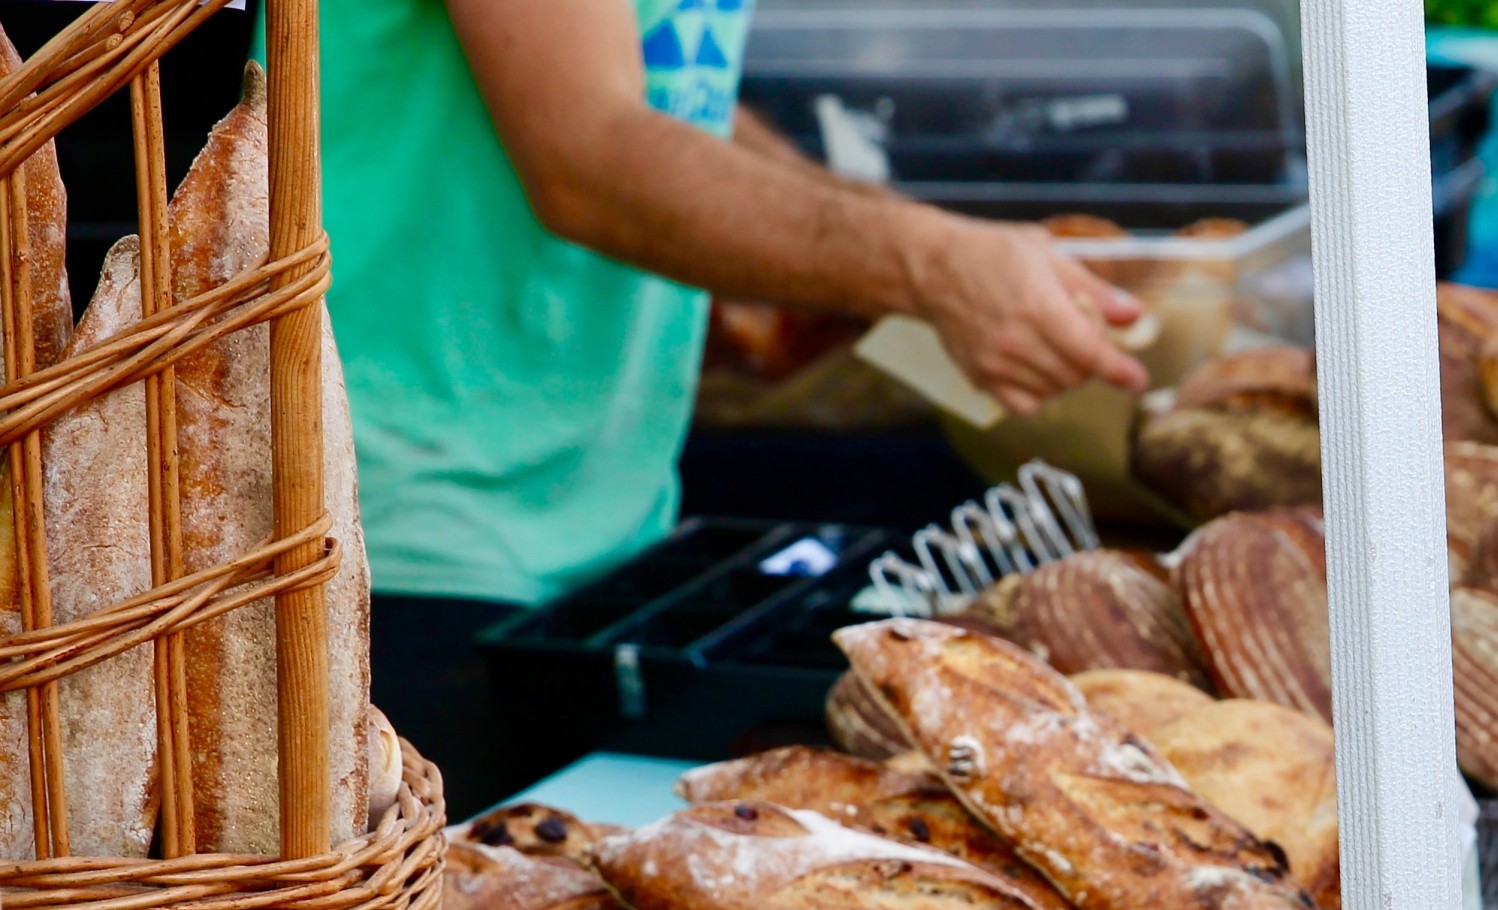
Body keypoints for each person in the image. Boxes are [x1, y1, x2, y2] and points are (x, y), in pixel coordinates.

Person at [298, 0, 1152, 808]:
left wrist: (930, 254)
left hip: (595, 528)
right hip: (392, 548)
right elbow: (587, 156)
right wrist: (929, 265)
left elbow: (668, 95)